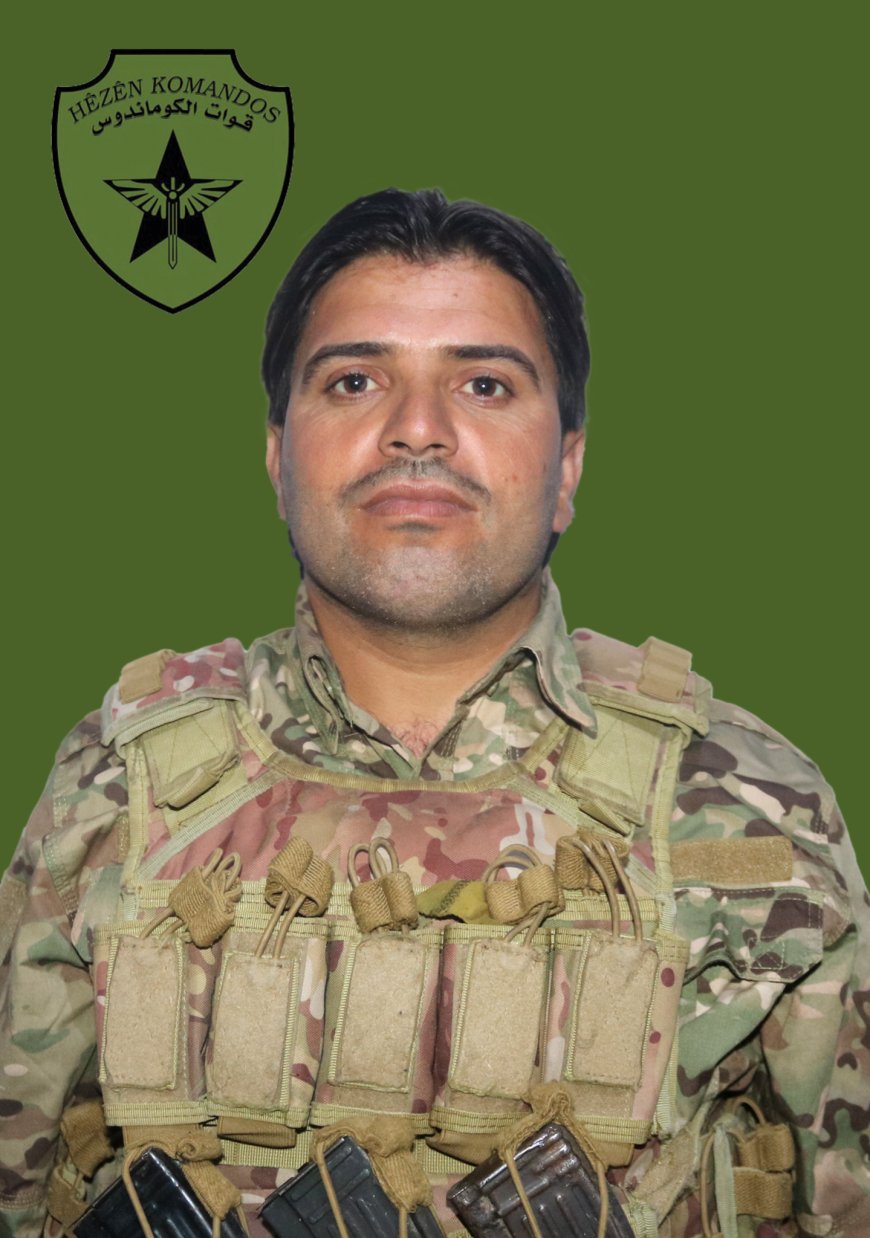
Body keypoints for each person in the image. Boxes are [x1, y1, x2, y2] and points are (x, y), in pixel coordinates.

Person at [1, 188, 867, 1238]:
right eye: (355, 380)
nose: (417, 428)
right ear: (277, 455)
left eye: (485, 384)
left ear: (569, 465)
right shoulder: (115, 784)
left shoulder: (750, 807)